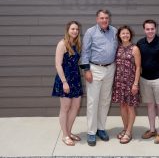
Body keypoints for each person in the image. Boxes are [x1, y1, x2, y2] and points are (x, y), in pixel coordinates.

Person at [80, 9, 118, 146]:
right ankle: (91, 132)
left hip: (110, 68)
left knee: (105, 100)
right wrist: (86, 70)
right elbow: (85, 51)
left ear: (109, 19)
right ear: (97, 19)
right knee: (92, 101)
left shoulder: (114, 31)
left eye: (106, 18)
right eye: (101, 18)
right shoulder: (91, 32)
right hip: (94, 69)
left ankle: (101, 128)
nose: (104, 20)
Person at [137, 19, 159, 144]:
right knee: (150, 105)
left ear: (155, 29)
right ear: (144, 30)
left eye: (152, 28)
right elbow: (137, 62)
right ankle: (152, 130)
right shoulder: (140, 43)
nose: (150, 31)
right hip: (145, 79)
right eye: (147, 29)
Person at [52, 21, 83, 146]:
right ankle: (65, 135)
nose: (75, 31)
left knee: (75, 107)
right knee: (65, 108)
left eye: (76, 29)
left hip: (76, 79)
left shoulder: (77, 44)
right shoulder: (62, 44)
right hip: (65, 79)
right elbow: (58, 64)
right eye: (72, 29)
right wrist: (64, 82)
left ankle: (69, 132)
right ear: (68, 30)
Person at [112, 25, 141, 144]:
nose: (125, 35)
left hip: (130, 82)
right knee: (122, 106)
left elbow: (138, 67)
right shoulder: (117, 48)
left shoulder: (135, 48)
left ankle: (129, 132)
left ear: (130, 35)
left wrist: (135, 84)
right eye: (123, 33)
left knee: (130, 106)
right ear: (119, 35)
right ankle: (125, 128)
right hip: (119, 82)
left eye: (127, 33)